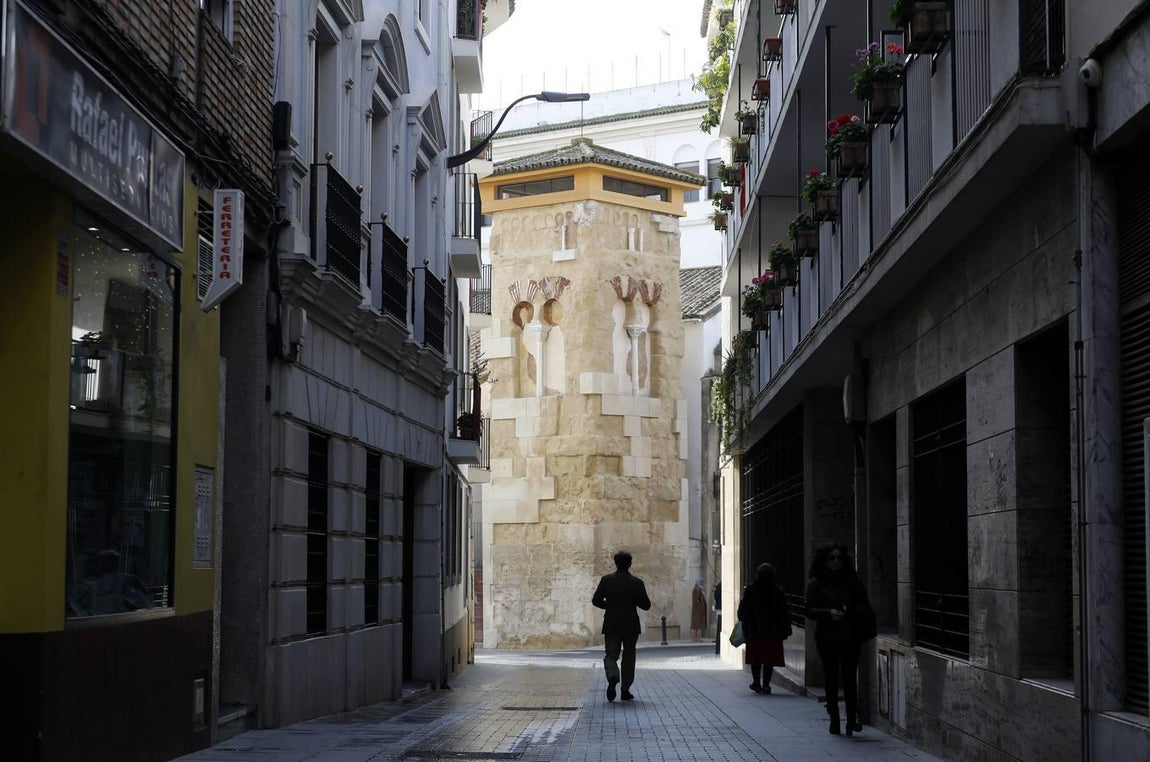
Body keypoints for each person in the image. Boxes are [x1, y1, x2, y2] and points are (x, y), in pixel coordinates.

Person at [805, 543, 874, 736]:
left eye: (839, 558)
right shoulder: (816, 583)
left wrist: (848, 612)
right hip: (827, 637)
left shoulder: (852, 582)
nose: (836, 562)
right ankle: (834, 719)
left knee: (850, 677)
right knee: (831, 677)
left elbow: (864, 607)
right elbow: (809, 609)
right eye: (832, 558)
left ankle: (851, 718)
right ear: (824, 560)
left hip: (850, 635)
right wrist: (828, 613)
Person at [592, 549, 652, 702]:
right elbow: (646, 605)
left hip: (611, 622)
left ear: (615, 563)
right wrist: (633, 601)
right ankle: (625, 689)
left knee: (611, 654)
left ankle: (612, 676)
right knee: (629, 656)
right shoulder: (637, 583)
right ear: (630, 564)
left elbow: (596, 600)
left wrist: (610, 606)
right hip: (631, 624)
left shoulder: (606, 580)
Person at [736, 563, 792, 694]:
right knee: (769, 659)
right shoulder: (778, 591)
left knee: (756, 658)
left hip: (755, 632)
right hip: (772, 632)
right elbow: (784, 612)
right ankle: (766, 684)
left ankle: (756, 682)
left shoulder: (751, 590)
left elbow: (742, 612)